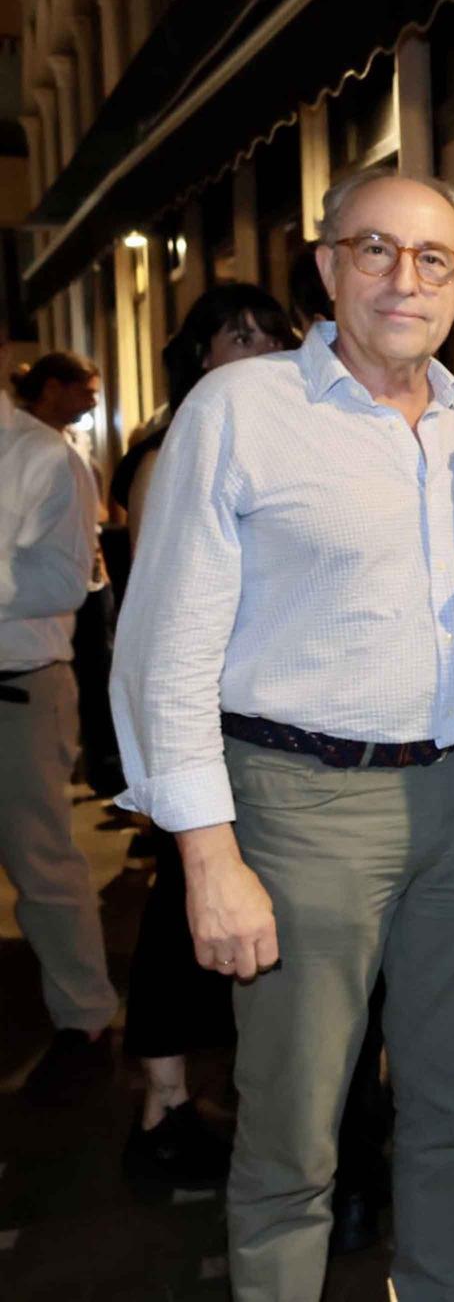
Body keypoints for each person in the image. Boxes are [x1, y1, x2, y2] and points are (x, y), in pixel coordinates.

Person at [110, 169, 454, 1302]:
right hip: (299, 803)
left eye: (433, 258)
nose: (405, 277)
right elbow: (165, 649)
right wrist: (207, 859)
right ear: (327, 263)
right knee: (293, 1135)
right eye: (376, 249)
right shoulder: (239, 411)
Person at [112, 286, 296, 1189]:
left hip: (242, 716)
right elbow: (167, 609)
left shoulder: (271, 435)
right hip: (199, 718)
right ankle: (163, 1104)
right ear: (200, 352)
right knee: (179, 914)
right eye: (239, 336)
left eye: (272, 335)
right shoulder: (179, 447)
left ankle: (179, 1103)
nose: (258, 350)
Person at [1, 353, 119, 1106]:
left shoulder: (42, 456)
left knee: (42, 864)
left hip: (18, 689)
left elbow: (63, 580)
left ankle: (86, 1021)